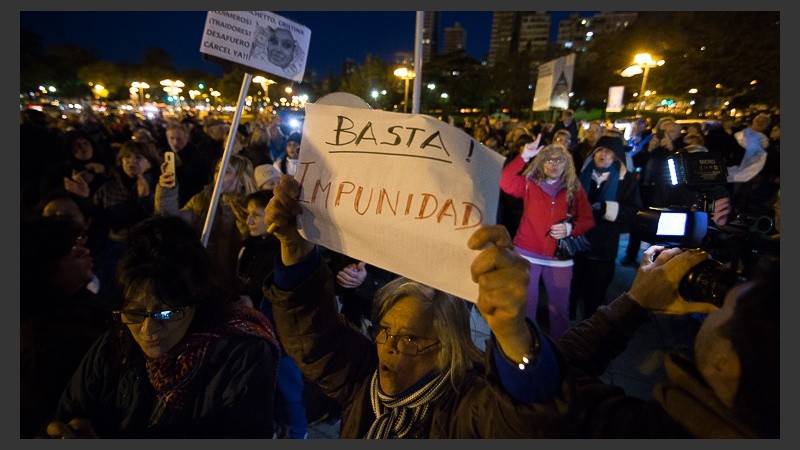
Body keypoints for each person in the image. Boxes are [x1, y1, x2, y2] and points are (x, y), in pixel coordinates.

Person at [261, 175, 569, 438]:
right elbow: (316, 339)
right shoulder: (364, 377)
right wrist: (294, 250)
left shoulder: (466, 407)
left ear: (448, 348)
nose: (390, 347)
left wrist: (512, 333)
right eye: (384, 331)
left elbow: (529, 419)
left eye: (410, 338)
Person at [43, 215, 281, 438]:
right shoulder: (114, 345)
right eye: (136, 312)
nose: (148, 330)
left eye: (166, 313)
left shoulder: (241, 354)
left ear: (195, 301)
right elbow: (65, 416)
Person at [559, 246, 779, 438]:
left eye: (725, 305)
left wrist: (633, 304)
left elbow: (554, 384)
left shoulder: (634, 431)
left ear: (725, 364)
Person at [21, 216, 112, 438]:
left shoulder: (83, 302)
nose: (84, 251)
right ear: (44, 267)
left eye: (80, 244)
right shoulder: (42, 343)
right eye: (71, 250)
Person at [500, 142, 595, 340]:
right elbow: (506, 181)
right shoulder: (529, 183)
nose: (554, 164)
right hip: (526, 253)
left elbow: (588, 220)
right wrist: (523, 155)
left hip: (559, 259)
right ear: (541, 163)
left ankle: (561, 350)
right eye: (549, 160)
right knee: (526, 306)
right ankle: (528, 346)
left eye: (559, 160)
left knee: (559, 310)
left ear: (566, 163)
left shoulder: (574, 189)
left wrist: (570, 229)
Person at [235, 190, 308, 439]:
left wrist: (254, 301)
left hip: (282, 338)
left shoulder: (284, 252)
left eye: (257, 214)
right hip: (256, 334)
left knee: (289, 391)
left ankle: (298, 433)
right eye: (248, 215)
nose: (250, 220)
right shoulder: (247, 247)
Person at [156, 154, 258, 292]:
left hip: (236, 287)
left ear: (241, 179)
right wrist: (167, 191)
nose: (218, 175)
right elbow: (173, 221)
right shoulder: (202, 201)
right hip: (205, 282)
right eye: (217, 170)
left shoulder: (252, 209)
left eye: (226, 171)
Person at [569, 136, 642, 321]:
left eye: (609, 152)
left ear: (616, 157)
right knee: (573, 285)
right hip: (578, 242)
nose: (603, 155)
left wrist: (607, 208)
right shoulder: (580, 174)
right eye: (600, 150)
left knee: (596, 291)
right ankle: (566, 323)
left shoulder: (627, 180)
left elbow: (633, 210)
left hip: (604, 245)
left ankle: (589, 325)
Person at [162, 122, 216, 207]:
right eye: (171, 138)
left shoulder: (198, 156)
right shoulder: (165, 155)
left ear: (186, 137)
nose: (175, 143)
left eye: (179, 139)